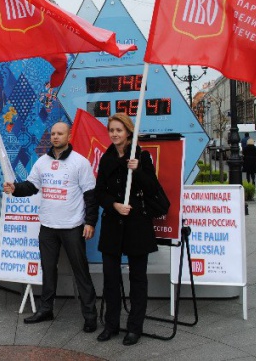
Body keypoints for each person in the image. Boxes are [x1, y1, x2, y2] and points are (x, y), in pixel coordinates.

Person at [3, 122, 99, 333]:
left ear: (69, 135)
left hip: (73, 226)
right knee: (48, 270)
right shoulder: (42, 162)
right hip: (47, 226)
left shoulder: (80, 163)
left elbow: (91, 196)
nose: (56, 137)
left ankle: (91, 315)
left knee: (81, 272)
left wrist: (90, 222)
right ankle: (46, 309)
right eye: (53, 134)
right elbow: (31, 186)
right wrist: (15, 188)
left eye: (60, 133)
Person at [94, 113, 158, 346]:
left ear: (128, 132)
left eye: (119, 130)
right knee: (111, 278)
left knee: (137, 278)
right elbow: (99, 191)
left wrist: (139, 169)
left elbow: (152, 189)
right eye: (111, 130)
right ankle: (111, 325)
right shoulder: (106, 158)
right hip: (113, 223)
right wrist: (113, 205)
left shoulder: (141, 156)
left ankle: (134, 327)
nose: (114, 134)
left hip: (136, 225)